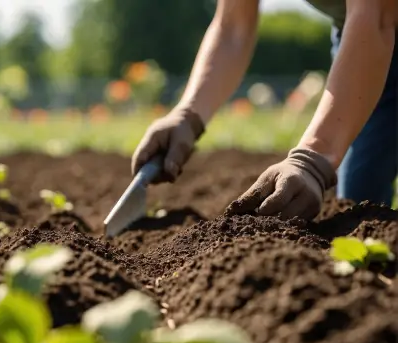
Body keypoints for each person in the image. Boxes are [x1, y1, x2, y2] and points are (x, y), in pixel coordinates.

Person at [131, 0, 397, 219]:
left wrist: (313, 158)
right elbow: (234, 27)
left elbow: (377, 16)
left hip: (372, 31)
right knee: (362, 207)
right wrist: (188, 115)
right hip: (365, 43)